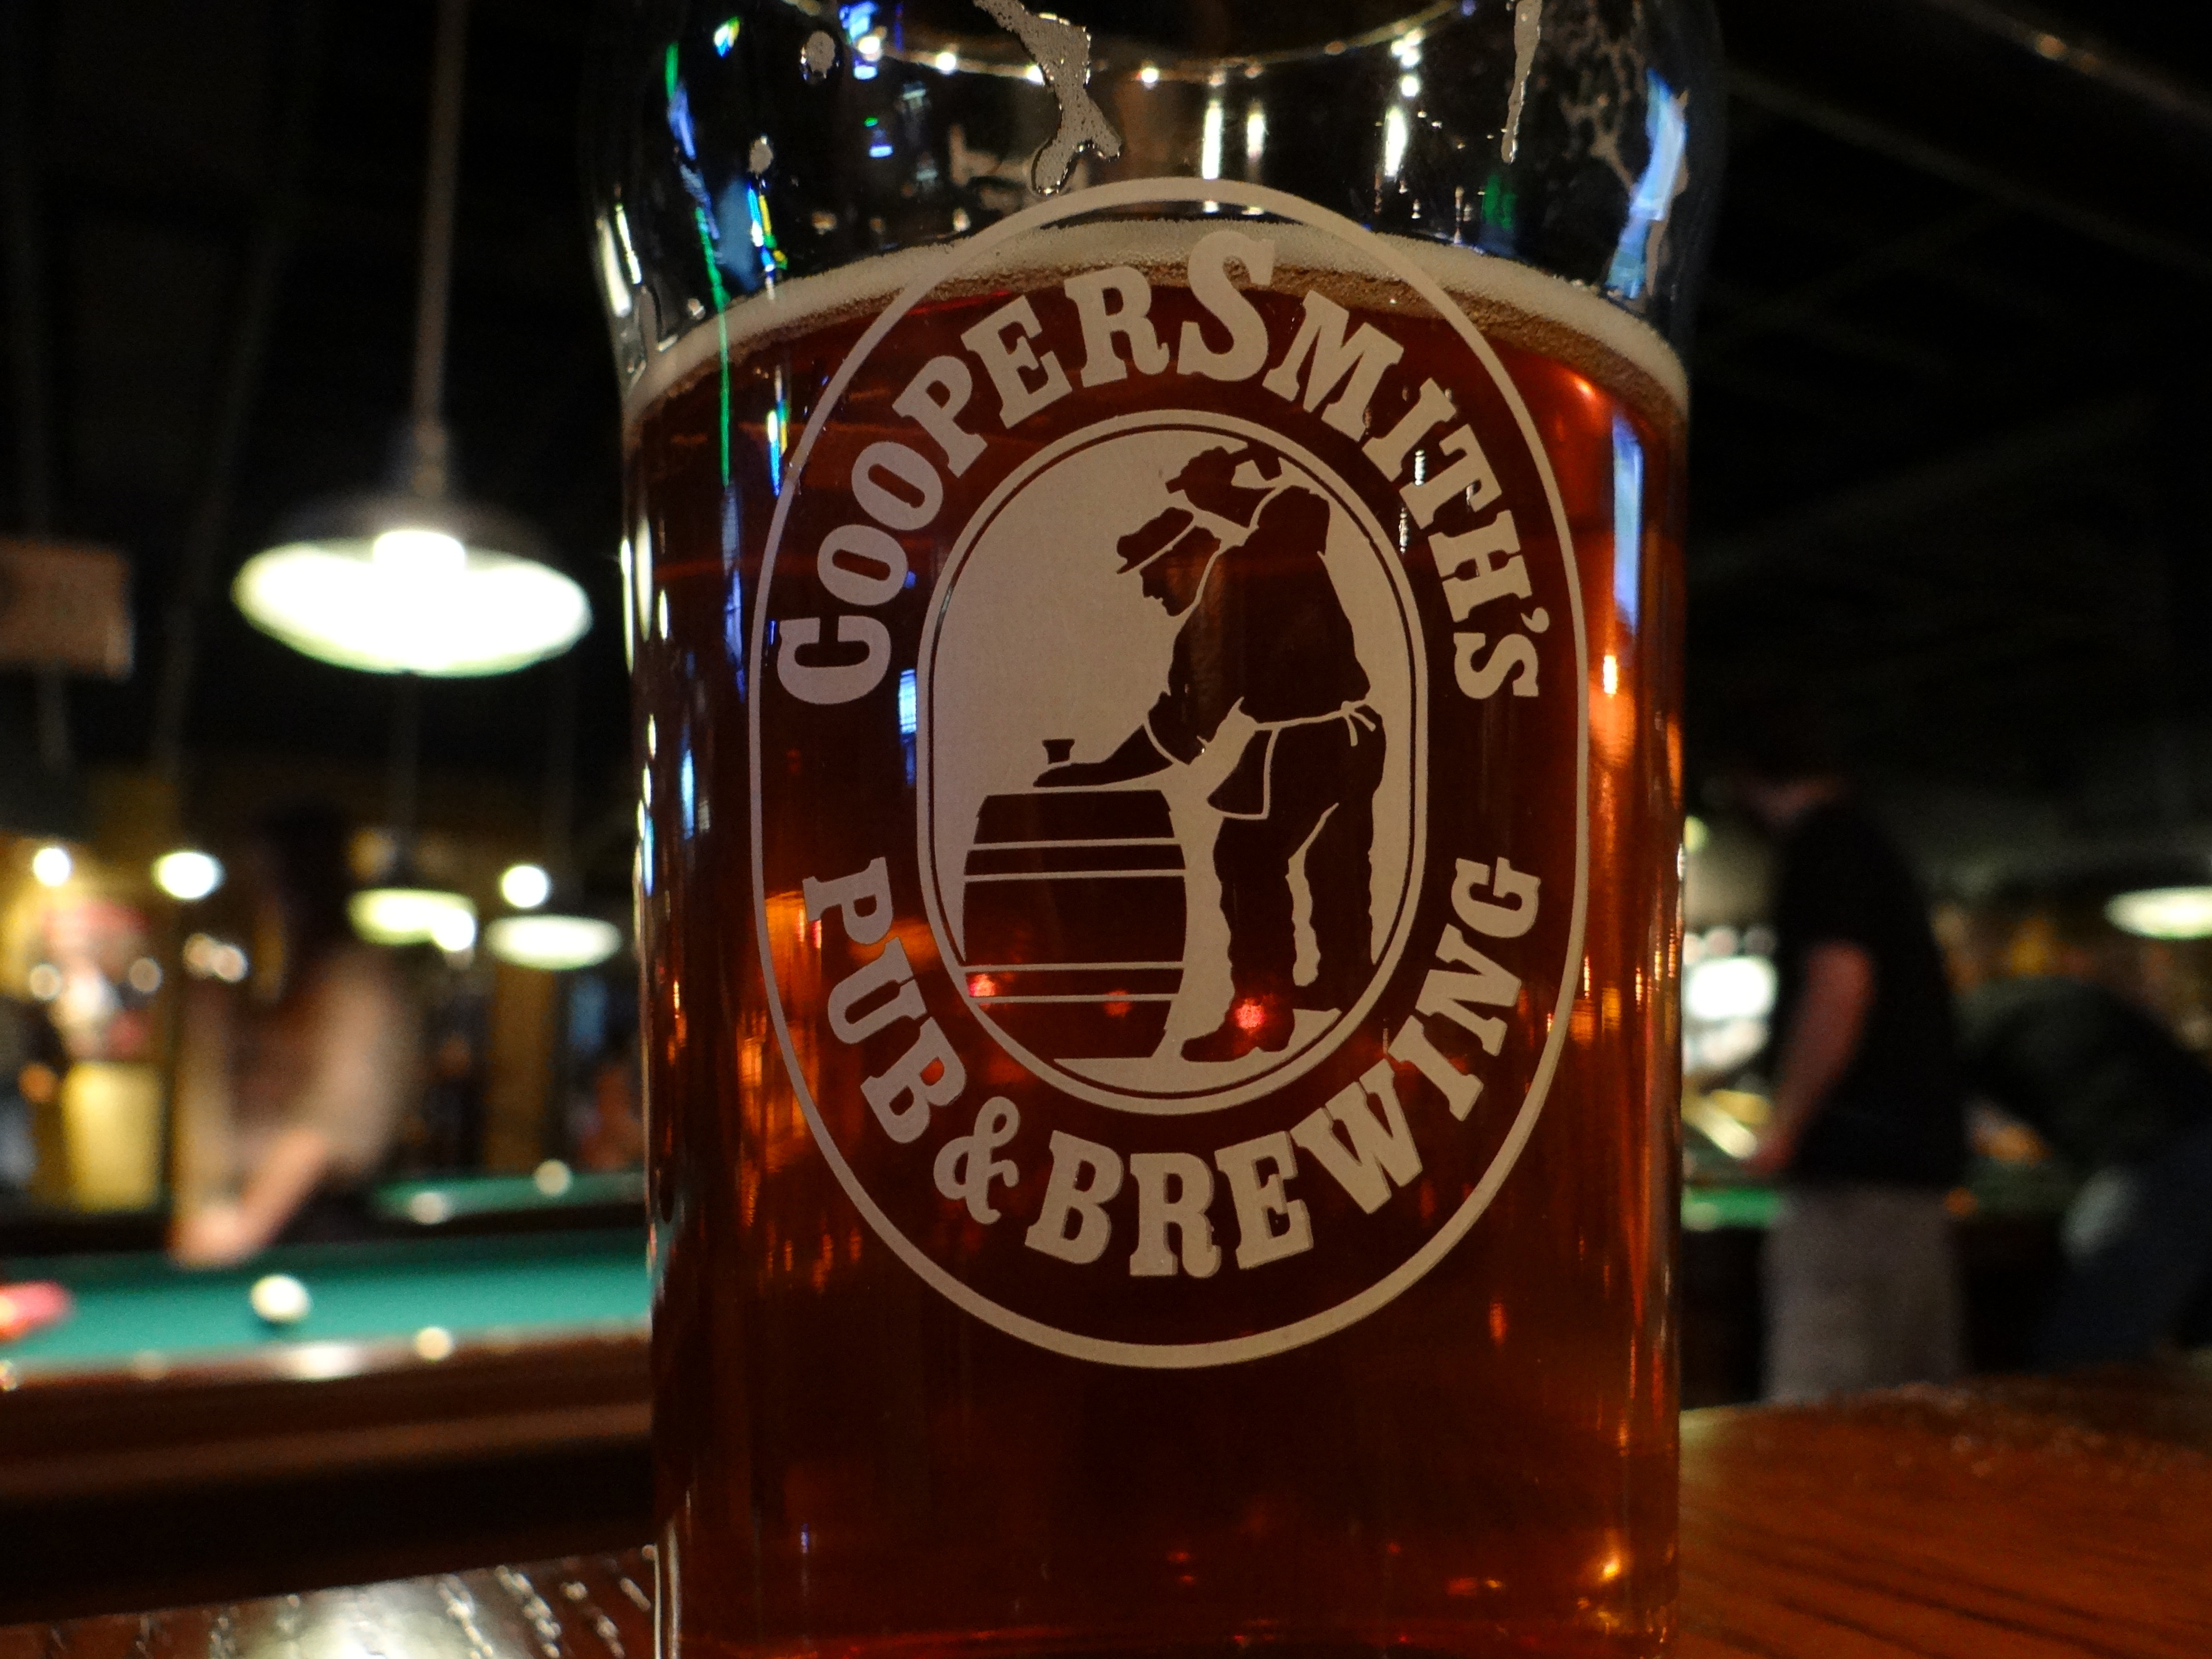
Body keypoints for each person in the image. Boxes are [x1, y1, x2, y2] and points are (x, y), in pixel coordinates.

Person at [1035, 445, 1386, 1062]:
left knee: (1245, 855)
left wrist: (1100, 774)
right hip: (1358, 737)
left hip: (1306, 741)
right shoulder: (1267, 559)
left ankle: (1262, 1016)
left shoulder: (1236, 577)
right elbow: (1301, 509)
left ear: (1177, 559)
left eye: (1150, 577)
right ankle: (1343, 979)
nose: (1149, 593)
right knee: (1332, 852)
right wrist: (1220, 494)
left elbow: (1186, 727)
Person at [1726, 716, 1968, 1400]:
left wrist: (1783, 1131)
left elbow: (1839, 986)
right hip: (1911, 1174)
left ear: (1746, 779)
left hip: (1853, 1180)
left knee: (1816, 1410)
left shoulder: (1822, 843)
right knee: (1914, 1405)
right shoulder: (1869, 839)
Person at [170, 803, 419, 1266]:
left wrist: (245, 1226)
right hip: (248, 1217)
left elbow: (328, 1124)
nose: (276, 897)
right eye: (268, 880)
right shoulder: (270, 983)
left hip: (320, 1228)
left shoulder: (359, 984)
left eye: (286, 878)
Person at [1958, 973, 2212, 1366]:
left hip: (2158, 1154)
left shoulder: (1974, 1022)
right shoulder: (2037, 997)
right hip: (2186, 1139)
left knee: (2084, 1349)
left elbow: (1949, 1120)